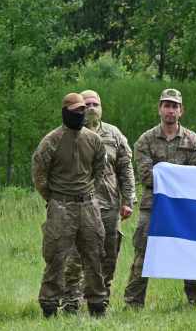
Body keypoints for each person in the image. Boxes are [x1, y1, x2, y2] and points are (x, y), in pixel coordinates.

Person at [124, 88, 196, 308]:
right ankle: (133, 304)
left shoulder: (194, 141)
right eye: (166, 105)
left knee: (191, 251)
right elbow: (146, 176)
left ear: (181, 111)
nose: (170, 110)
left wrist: (166, 174)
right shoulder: (145, 140)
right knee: (143, 253)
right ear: (160, 109)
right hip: (154, 206)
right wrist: (176, 177)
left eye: (175, 106)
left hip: (184, 208)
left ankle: (195, 302)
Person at [32, 93, 108, 318]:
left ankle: (97, 305)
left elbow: (99, 169)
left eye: (83, 110)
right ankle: (49, 306)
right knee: (55, 257)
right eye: (75, 111)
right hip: (61, 207)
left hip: (88, 206)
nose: (80, 114)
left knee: (94, 255)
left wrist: (87, 193)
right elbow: (39, 175)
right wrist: (55, 199)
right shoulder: (51, 141)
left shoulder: (93, 140)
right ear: (65, 112)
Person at [63, 90, 136, 312]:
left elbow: (125, 168)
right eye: (87, 104)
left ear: (101, 108)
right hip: (78, 205)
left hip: (108, 206)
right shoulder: (69, 133)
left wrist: (128, 199)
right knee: (74, 255)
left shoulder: (114, 135)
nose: (92, 107)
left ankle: (100, 298)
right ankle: (71, 301)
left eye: (96, 104)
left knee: (108, 254)